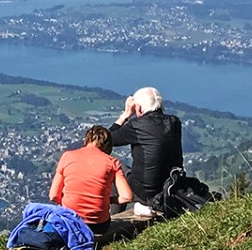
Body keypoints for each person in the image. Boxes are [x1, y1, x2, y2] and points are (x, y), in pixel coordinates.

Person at [107, 86, 183, 218]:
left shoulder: (137, 125)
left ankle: (114, 218)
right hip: (171, 187)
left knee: (114, 167)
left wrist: (125, 115)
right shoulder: (174, 122)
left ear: (140, 108)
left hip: (145, 193)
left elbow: (107, 140)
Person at [49, 125, 134, 241]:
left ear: (87, 139)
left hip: (70, 221)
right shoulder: (112, 163)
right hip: (98, 225)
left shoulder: (67, 156)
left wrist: (69, 205)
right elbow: (127, 197)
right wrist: (108, 200)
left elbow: (53, 195)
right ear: (108, 145)